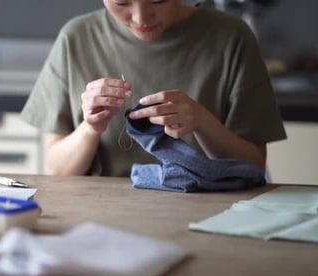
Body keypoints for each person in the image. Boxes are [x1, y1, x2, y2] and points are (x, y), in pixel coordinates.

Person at [20, 0, 286, 177]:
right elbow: (57, 172)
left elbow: (253, 166)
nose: (140, 18)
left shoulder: (232, 39)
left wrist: (202, 122)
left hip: (205, 216)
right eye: (122, 2)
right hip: (100, 218)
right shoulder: (77, 38)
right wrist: (90, 128)